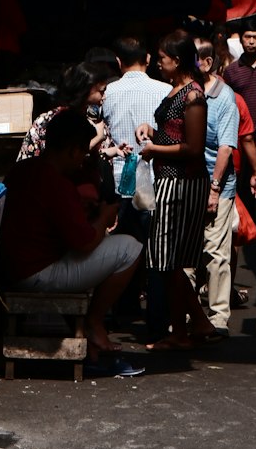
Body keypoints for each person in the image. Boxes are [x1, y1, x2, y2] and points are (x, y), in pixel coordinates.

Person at [0, 109, 143, 376]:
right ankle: (94, 322)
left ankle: (92, 324)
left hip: (13, 268)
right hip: (36, 273)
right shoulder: (54, 182)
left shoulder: (23, 169)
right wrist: (105, 216)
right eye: (83, 153)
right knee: (130, 249)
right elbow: (85, 243)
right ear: (73, 151)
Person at [136, 30, 222, 349]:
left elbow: (193, 148)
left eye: (162, 58)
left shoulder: (193, 95)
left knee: (167, 258)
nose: (158, 63)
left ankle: (191, 326)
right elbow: (171, 133)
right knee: (166, 259)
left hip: (182, 182)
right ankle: (188, 328)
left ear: (177, 60)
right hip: (169, 180)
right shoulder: (176, 92)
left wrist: (154, 149)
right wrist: (152, 132)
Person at [102, 37, 171, 238]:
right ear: (148, 59)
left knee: (119, 247)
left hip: (117, 181)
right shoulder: (165, 91)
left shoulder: (106, 92)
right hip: (153, 181)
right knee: (151, 247)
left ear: (118, 61)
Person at [196, 40, 241, 336]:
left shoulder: (224, 98)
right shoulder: (183, 93)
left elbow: (225, 148)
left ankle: (218, 315)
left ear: (207, 62)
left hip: (217, 186)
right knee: (189, 253)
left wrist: (214, 190)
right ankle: (190, 312)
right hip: (188, 185)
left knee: (215, 251)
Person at [223, 23, 256, 124]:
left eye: (255, 37)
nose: (251, 42)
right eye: (247, 37)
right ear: (240, 39)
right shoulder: (231, 71)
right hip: (241, 128)